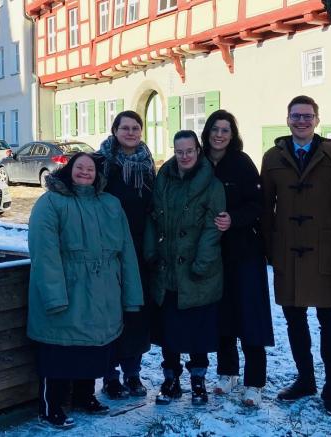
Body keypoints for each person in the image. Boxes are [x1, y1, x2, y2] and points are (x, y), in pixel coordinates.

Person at [26, 152, 144, 428]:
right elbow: (44, 254)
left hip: (103, 292)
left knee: (93, 348)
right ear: (69, 170)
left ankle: (84, 396)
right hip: (68, 290)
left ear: (97, 174)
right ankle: (51, 406)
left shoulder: (110, 204)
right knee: (59, 351)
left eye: (90, 169)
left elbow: (126, 252)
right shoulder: (50, 203)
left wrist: (131, 295)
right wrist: (54, 296)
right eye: (79, 167)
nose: (85, 172)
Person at [260, 95, 331, 415]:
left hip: (327, 248)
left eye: (307, 116)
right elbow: (265, 208)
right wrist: (270, 248)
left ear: (317, 119)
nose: (302, 121)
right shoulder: (272, 157)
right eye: (296, 116)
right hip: (288, 250)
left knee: (329, 320)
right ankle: (306, 379)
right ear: (287, 119)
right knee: (294, 319)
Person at [145, 130, 226, 406]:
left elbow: (212, 227)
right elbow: (153, 217)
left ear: (198, 150)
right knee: (169, 331)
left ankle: (198, 381)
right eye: (180, 152)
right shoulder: (164, 179)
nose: (184, 156)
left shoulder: (212, 184)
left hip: (197, 271)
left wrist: (202, 263)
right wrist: (151, 251)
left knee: (197, 332)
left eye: (189, 151)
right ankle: (171, 380)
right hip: (167, 270)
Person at [204, 110, 274, 408]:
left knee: (250, 315)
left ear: (233, 135)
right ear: (207, 132)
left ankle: (255, 381)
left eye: (226, 130)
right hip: (212, 252)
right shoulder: (200, 162)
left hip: (244, 250)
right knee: (222, 314)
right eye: (215, 129)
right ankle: (227, 371)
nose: (220, 135)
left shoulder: (241, 163)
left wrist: (234, 218)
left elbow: (258, 204)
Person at [92, 110, 157, 400]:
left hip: (140, 250)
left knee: (136, 314)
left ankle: (133, 373)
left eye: (135, 128)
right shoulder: (102, 162)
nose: (131, 132)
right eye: (125, 128)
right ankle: (109, 376)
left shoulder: (147, 163)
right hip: (109, 249)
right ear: (115, 130)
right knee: (110, 312)